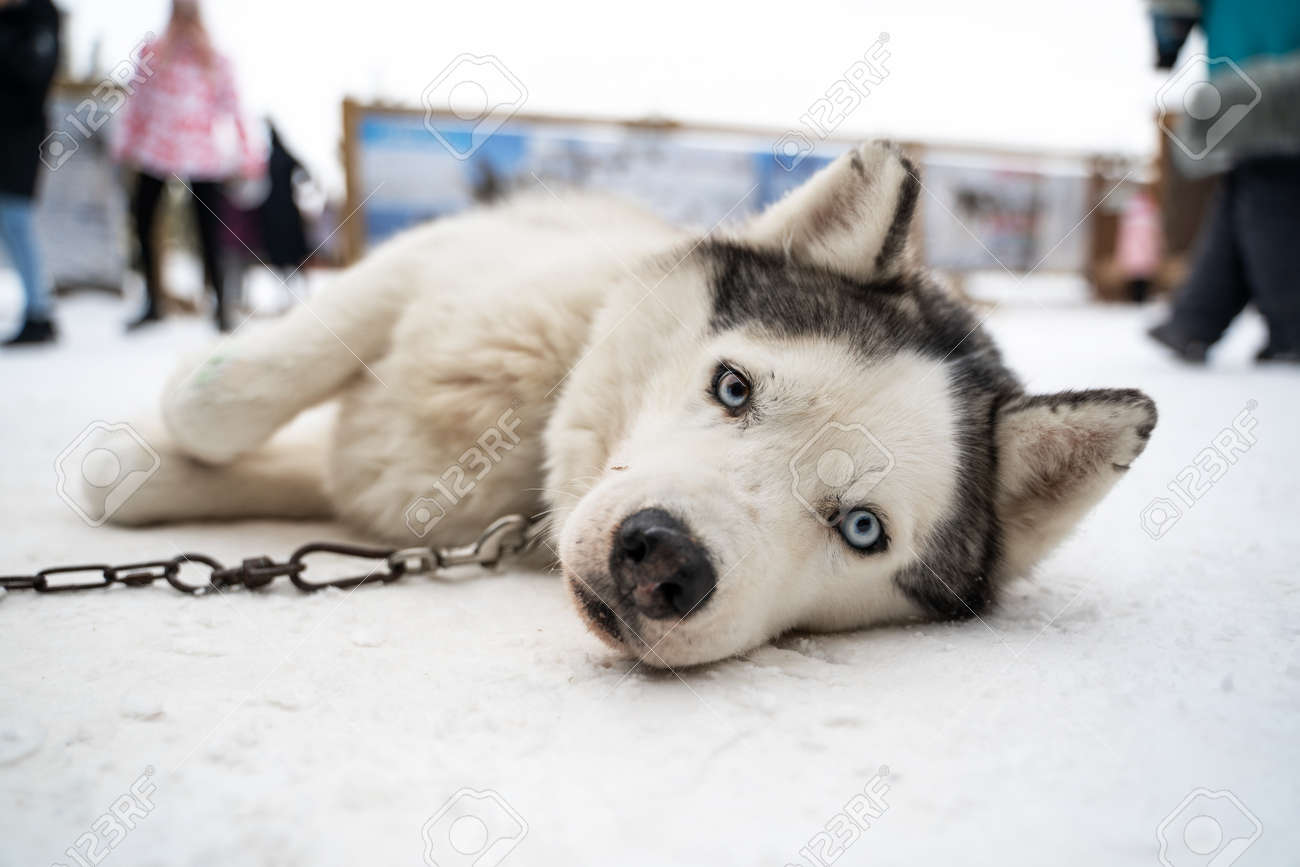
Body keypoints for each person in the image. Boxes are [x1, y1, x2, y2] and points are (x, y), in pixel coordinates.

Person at [1147, 0, 1300, 364]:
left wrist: (1167, 41)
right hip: (1272, 63)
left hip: (1244, 65)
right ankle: (1291, 329)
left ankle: (1194, 319)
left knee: (1253, 190)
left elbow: (1173, 8)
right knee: (1270, 191)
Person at [112, 0, 263, 332]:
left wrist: (248, 153)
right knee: (143, 219)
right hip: (156, 147)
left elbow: (234, 107)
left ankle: (220, 303)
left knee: (208, 228)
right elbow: (137, 103)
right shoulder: (153, 53)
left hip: (200, 152)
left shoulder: (214, 58)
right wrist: (124, 145)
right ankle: (153, 299)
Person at [0, 0, 60, 346]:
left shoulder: (39, 16)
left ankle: (39, 311)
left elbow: (36, 71)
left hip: (22, 137)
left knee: (17, 220)